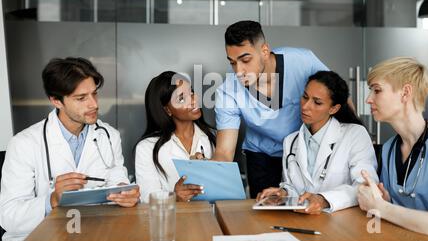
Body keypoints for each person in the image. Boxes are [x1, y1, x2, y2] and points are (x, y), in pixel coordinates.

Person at [0, 57, 140, 241]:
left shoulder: (109, 136)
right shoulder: (24, 144)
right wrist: (52, 199)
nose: (94, 104)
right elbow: (9, 217)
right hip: (39, 238)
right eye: (81, 98)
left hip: (93, 234)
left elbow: (118, 182)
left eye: (94, 94)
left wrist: (126, 195)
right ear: (56, 101)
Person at [214, 20, 331, 198]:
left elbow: (337, 96)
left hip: (303, 151)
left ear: (264, 51)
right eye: (232, 62)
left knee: (308, 207)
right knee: (265, 211)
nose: (239, 71)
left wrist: (356, 136)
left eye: (245, 60)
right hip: (261, 156)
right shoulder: (228, 90)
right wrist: (205, 177)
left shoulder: (303, 62)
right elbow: (224, 152)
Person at [256, 71, 378, 214]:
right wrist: (282, 194)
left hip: (341, 223)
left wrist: (323, 199)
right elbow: (292, 187)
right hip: (302, 221)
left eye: (317, 102)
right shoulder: (290, 141)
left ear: (334, 108)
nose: (305, 106)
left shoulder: (355, 134)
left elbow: (366, 186)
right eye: (305, 97)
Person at [358, 57, 428, 240]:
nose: (368, 99)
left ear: (405, 93)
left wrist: (383, 207)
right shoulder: (389, 149)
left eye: (377, 90)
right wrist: (385, 200)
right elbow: (395, 211)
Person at [135, 71, 216, 203]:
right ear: (167, 110)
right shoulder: (147, 147)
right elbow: (146, 197)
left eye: (191, 92)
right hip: (173, 220)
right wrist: (175, 198)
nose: (194, 101)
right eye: (182, 99)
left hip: (210, 219)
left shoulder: (213, 137)